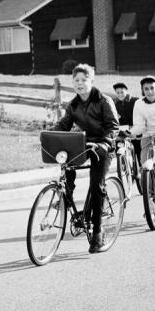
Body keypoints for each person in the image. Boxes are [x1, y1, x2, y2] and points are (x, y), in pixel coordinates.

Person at [52, 64, 118, 253]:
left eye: (84, 80)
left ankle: (98, 231)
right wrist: (50, 135)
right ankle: (67, 194)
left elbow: (113, 126)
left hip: (104, 145)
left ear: (91, 81)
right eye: (76, 80)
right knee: (67, 164)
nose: (80, 84)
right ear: (72, 82)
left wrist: (105, 142)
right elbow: (64, 124)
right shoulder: (73, 104)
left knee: (97, 186)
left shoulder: (103, 100)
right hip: (85, 143)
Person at [112, 81, 141, 161]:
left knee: (138, 149)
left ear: (126, 91)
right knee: (118, 146)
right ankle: (122, 166)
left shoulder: (135, 101)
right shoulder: (114, 103)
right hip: (122, 130)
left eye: (122, 92)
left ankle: (141, 167)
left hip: (134, 129)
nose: (120, 94)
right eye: (117, 93)